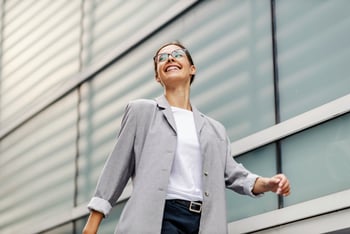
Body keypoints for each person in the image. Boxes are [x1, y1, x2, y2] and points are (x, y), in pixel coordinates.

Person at [82, 41, 290, 234]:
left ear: (192, 68)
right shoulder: (142, 111)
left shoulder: (214, 129)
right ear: (157, 76)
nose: (170, 58)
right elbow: (116, 167)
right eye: (162, 58)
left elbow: (234, 175)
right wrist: (92, 223)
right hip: (159, 218)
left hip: (204, 222)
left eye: (177, 54)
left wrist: (268, 183)